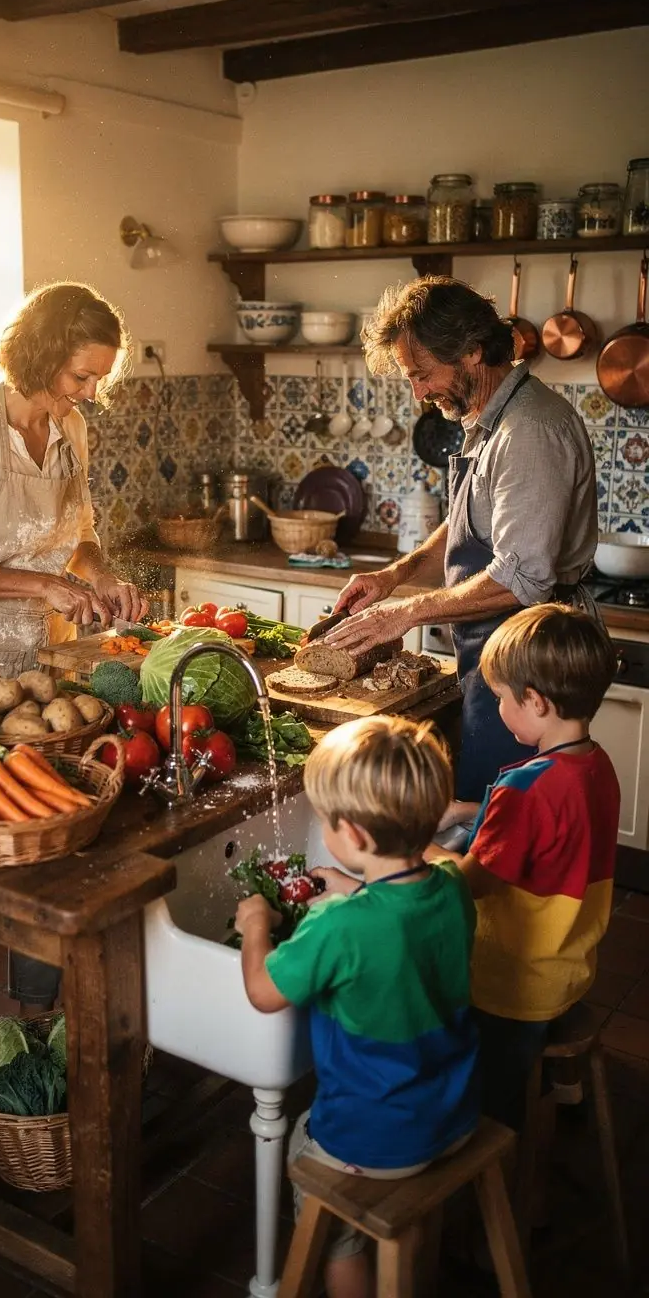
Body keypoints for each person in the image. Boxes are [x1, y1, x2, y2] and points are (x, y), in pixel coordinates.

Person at [0, 280, 149, 1040]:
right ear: (39, 356)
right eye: (81, 374)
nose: (91, 392)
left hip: (37, 665)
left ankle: (37, 1021)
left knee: (46, 835)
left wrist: (98, 575)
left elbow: (80, 535)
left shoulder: (71, 429)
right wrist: (44, 584)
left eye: (99, 377)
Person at [322, 276, 598, 805]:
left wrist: (404, 614)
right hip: (495, 655)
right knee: (481, 812)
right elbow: (468, 524)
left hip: (532, 671)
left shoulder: (529, 431)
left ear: (472, 350)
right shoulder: (492, 419)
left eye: (422, 374)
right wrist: (394, 577)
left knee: (511, 818)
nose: (418, 394)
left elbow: (522, 578)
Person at [234, 715, 479, 1298]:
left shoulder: (339, 926)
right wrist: (357, 887)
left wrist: (254, 926)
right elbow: (399, 922)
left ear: (354, 836)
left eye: (325, 820)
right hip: (451, 1116)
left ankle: (347, 1266)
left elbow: (264, 992)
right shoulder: (452, 889)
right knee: (404, 1214)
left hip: (372, 1140)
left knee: (307, 1161)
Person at [426, 604, 620, 1131]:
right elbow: (555, 827)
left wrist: (417, 849)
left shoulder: (524, 789)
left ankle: (501, 1156)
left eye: (501, 697)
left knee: (490, 1099)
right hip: (569, 968)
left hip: (513, 987)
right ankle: (563, 1089)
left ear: (535, 701)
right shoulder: (596, 765)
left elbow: (472, 881)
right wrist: (466, 811)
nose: (498, 708)